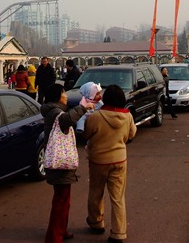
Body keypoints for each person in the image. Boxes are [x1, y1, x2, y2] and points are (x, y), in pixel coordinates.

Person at [84, 84, 137, 243]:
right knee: (118, 197)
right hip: (119, 160)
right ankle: (119, 233)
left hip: (98, 160)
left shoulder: (95, 116)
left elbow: (87, 134)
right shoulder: (127, 116)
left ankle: (96, 221)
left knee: (96, 192)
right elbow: (131, 134)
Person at [41, 83, 93, 243]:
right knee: (61, 200)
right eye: (64, 93)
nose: (66, 96)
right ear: (58, 96)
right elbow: (67, 119)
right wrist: (83, 107)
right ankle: (54, 236)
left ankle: (61, 230)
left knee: (64, 199)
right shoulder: (56, 112)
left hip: (59, 161)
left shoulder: (53, 111)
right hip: (60, 161)